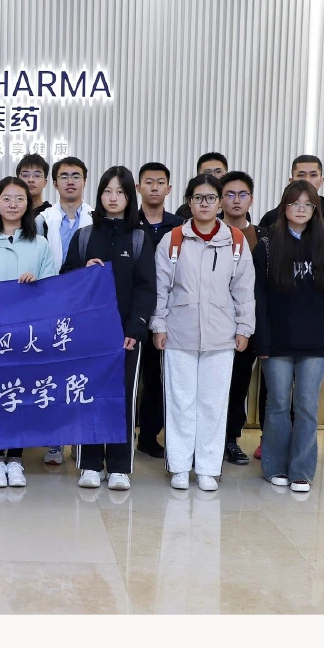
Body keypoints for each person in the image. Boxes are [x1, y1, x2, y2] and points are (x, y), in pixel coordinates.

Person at [150, 173, 255, 491]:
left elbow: (244, 290)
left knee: (213, 403)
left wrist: (244, 327)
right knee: (181, 403)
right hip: (178, 333)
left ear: (220, 202)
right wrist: (158, 324)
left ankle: (208, 468)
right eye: (198, 198)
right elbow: (161, 288)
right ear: (189, 202)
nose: (205, 204)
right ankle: (180, 466)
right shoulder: (173, 240)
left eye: (211, 198)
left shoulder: (235, 241)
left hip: (221, 335)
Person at [60, 166, 156, 491]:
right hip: (87, 335)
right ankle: (89, 463)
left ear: (130, 197)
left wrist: (136, 328)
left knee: (121, 399)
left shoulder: (140, 238)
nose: (113, 198)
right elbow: (65, 279)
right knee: (87, 395)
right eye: (107, 191)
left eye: (120, 192)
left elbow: (147, 289)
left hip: (125, 335)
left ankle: (118, 466)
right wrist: (83, 271)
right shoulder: (85, 236)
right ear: (99, 195)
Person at [0, 176, 60, 489]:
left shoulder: (39, 243)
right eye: (7, 198)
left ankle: (16, 460)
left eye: (20, 198)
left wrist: (36, 284)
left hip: (27, 336)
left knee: (20, 396)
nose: (13, 204)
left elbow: (51, 291)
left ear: (27, 204)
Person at [252, 179, 324, 493]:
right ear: (285, 208)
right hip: (277, 341)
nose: (301, 209)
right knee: (278, 404)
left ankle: (302, 471)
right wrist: (261, 340)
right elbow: (259, 298)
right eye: (295, 204)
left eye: (308, 204)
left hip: (316, 343)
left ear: (316, 209)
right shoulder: (267, 246)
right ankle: (275, 466)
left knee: (306, 406)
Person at [37, 155, 93, 466]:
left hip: (83, 306)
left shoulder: (96, 219)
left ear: (84, 181)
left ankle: (81, 441)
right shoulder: (42, 220)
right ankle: (55, 440)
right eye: (64, 176)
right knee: (52, 374)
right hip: (49, 304)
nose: (70, 181)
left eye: (76, 176)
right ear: (55, 183)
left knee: (80, 374)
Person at [134, 161, 178, 458]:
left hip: (168, 313)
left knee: (158, 377)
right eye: (148, 182)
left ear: (169, 188)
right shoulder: (129, 223)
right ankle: (123, 434)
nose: (154, 187)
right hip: (134, 311)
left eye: (160, 182)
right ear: (138, 187)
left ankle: (149, 436)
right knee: (130, 376)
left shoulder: (179, 226)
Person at [218, 170, 260, 466]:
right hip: (212, 323)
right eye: (229, 194)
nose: (236, 200)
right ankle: (205, 441)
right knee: (211, 387)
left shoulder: (262, 237)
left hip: (246, 325)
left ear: (251, 199)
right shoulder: (209, 232)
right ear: (220, 199)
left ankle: (231, 439)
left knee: (238, 385)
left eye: (242, 194)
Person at [258, 155, 324, 245]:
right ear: (291, 181)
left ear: (321, 181)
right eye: (301, 175)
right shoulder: (271, 218)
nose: (307, 180)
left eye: (313, 175)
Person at [16, 153, 52, 219]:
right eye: (25, 175)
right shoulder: (12, 211)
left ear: (45, 182)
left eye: (37, 175)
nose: (31, 180)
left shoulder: (52, 213)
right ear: (18, 181)